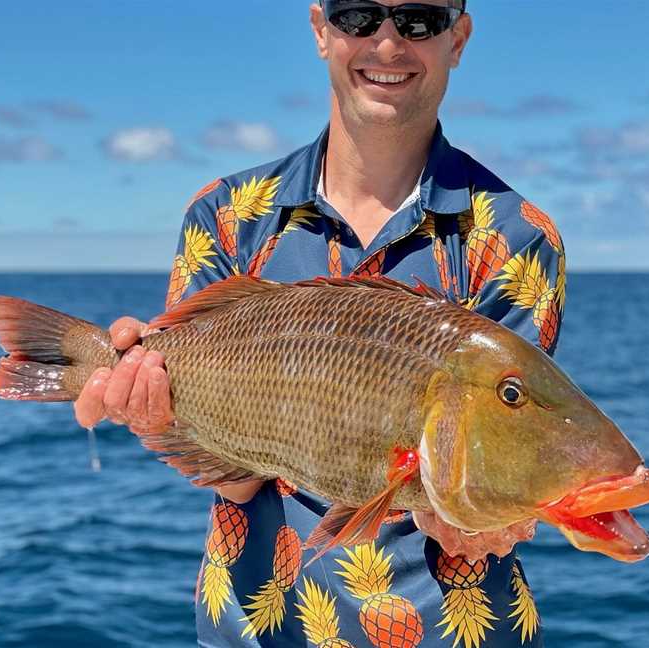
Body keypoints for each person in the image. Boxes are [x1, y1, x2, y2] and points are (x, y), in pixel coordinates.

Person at [75, 1, 565, 646]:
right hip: (257, 622)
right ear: (320, 29)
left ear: (459, 38)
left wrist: (485, 520)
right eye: (359, 16)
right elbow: (241, 478)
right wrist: (155, 408)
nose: (387, 43)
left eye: (418, 20)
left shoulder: (514, 238)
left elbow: (504, 454)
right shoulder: (227, 215)